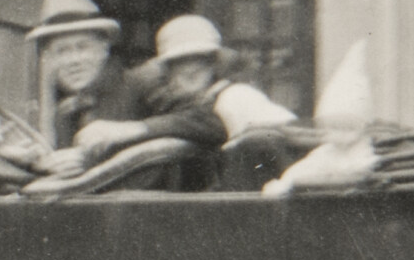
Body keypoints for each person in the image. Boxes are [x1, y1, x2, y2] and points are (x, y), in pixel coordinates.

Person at [69, 14, 297, 187]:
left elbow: (289, 143)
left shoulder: (236, 96)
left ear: (214, 63)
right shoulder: (179, 106)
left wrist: (132, 129)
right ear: (166, 70)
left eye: (201, 59)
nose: (190, 70)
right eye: (179, 62)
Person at [27, 0, 143, 176]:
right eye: (61, 51)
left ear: (104, 48)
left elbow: (202, 119)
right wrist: (38, 165)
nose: (73, 60)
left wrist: (134, 129)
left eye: (82, 47)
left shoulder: (139, 84)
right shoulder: (65, 113)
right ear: (50, 60)